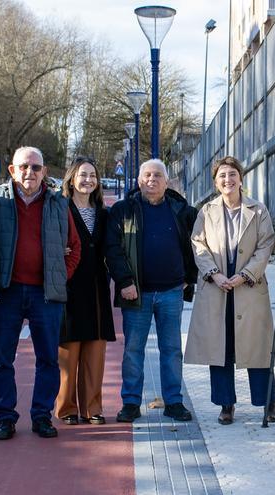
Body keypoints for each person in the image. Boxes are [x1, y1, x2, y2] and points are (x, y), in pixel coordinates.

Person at [0, 146, 81, 440]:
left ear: (44, 172)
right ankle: (5, 418)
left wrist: (58, 276)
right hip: (8, 293)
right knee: (2, 359)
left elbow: (74, 248)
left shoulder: (58, 204)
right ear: (12, 170)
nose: (30, 173)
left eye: (36, 167)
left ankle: (41, 416)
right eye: (24, 167)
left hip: (45, 295)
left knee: (48, 360)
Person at [185, 156, 275, 425]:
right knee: (221, 348)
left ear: (241, 178)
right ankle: (226, 404)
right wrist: (214, 274)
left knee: (257, 348)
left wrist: (245, 274)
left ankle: (267, 401)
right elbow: (198, 244)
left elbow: (266, 245)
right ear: (216, 182)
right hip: (218, 289)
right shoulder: (207, 211)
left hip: (248, 288)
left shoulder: (258, 210)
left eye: (232, 174)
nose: (228, 179)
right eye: (222, 176)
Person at [106, 159, 198, 423]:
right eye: (146, 175)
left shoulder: (181, 210)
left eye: (157, 175)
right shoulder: (123, 210)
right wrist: (125, 282)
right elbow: (113, 249)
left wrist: (188, 278)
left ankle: (174, 402)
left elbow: (197, 246)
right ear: (138, 181)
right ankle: (131, 402)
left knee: (171, 349)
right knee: (133, 349)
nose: (151, 180)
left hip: (171, 292)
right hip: (137, 293)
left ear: (167, 181)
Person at [56, 157, 116, 425]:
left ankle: (92, 408)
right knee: (68, 354)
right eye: (83, 175)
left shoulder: (104, 213)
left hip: (96, 289)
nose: (88, 180)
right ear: (71, 179)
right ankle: (66, 408)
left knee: (95, 352)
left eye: (93, 175)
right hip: (68, 287)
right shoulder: (59, 208)